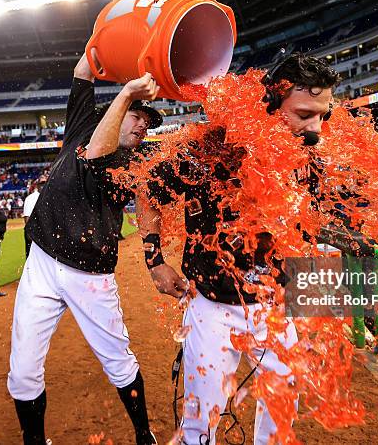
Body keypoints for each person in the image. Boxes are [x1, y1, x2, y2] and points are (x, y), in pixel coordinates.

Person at [137, 54, 339, 444]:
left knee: (282, 415)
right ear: (270, 103)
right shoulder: (212, 148)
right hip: (214, 308)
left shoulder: (308, 159)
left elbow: (305, 231)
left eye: (322, 115)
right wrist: (154, 261)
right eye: (303, 115)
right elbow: (148, 190)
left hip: (277, 308)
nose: (315, 128)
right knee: (200, 421)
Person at [7, 51, 163, 445]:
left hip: (90, 274)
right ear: (118, 110)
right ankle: (33, 439)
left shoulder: (136, 159)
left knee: (118, 362)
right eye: (137, 116)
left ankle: (144, 435)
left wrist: (128, 93)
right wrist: (105, 33)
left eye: (148, 123)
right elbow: (82, 69)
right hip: (42, 260)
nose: (142, 126)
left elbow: (98, 155)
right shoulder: (83, 124)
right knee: (22, 370)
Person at [22, 174, 48, 258]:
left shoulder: (50, 197)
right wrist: (32, 238)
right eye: (41, 183)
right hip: (35, 236)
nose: (43, 185)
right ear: (37, 185)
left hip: (46, 236)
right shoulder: (31, 199)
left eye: (45, 183)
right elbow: (28, 220)